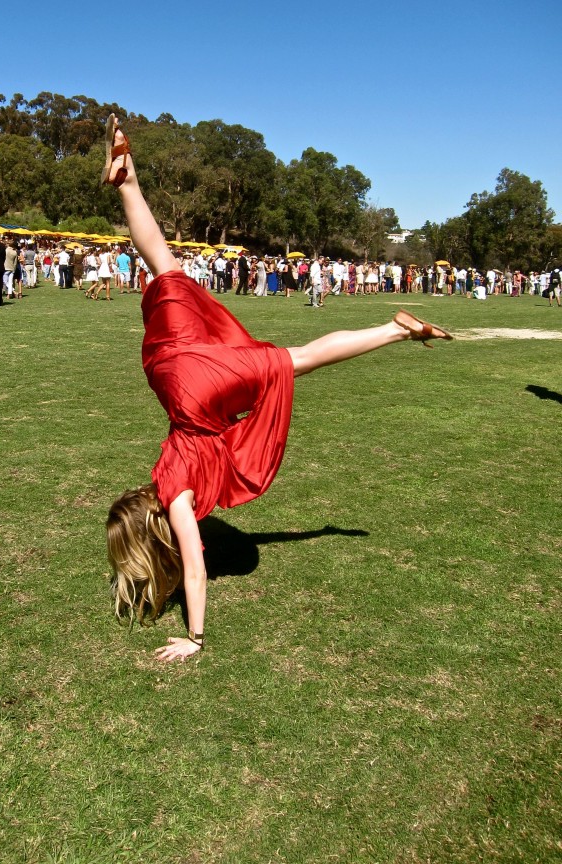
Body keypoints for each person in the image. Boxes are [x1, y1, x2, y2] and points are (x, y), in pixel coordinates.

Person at [101, 117, 454, 662]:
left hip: (205, 391)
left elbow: (194, 568)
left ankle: (393, 330)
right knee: (164, 265)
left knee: (303, 359)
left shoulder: (176, 502)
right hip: (176, 377)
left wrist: (194, 639)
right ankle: (129, 181)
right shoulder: (162, 480)